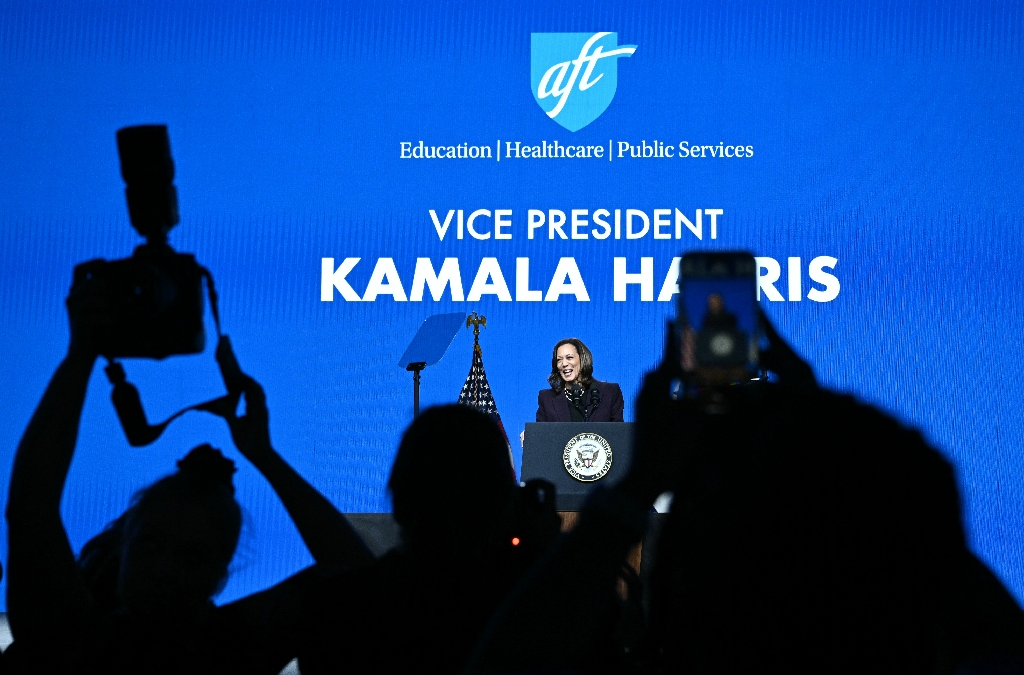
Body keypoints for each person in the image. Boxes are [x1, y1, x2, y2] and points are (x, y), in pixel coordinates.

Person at [466, 316, 1024, 674]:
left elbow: (508, 661)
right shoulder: (958, 629)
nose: (564, 366)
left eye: (571, 358)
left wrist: (634, 489)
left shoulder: (609, 393)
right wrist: (806, 413)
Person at [5, 287, 373, 674]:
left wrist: (81, 356)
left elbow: (31, 503)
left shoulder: (77, 641)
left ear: (219, 573)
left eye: (191, 557)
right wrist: (266, 459)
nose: (164, 571)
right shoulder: (238, 647)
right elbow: (360, 581)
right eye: (152, 546)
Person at [297, 404, 561, 675]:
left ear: (399, 498)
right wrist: (550, 563)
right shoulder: (534, 615)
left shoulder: (336, 609)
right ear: (504, 503)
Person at [535, 338, 624, 423]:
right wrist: (530, 434)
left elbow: (618, 433)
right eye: (559, 360)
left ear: (582, 359)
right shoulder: (547, 398)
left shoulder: (609, 392)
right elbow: (541, 433)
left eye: (569, 357)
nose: (564, 364)